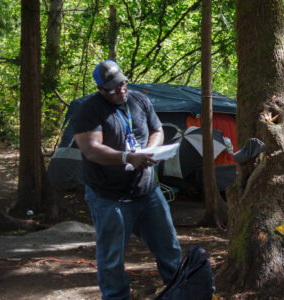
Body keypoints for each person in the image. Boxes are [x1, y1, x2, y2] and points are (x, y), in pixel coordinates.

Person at [71, 60, 182, 300]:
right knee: (111, 258)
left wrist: (149, 151)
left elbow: (157, 130)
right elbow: (91, 149)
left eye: (122, 84)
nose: (120, 91)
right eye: (112, 89)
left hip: (147, 191)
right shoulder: (88, 110)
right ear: (100, 90)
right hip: (109, 196)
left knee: (169, 247)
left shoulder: (139, 100)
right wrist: (127, 157)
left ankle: (179, 292)